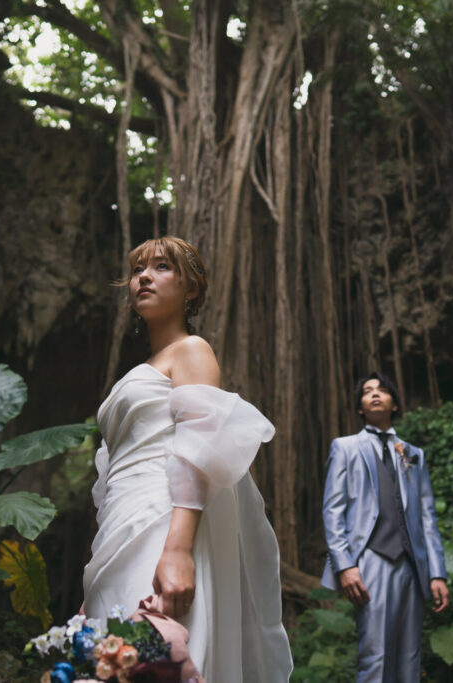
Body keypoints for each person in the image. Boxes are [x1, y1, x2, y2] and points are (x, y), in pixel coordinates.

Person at [82, 236, 293, 682]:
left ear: (191, 288)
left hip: (165, 522)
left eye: (161, 267)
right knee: (114, 657)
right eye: (138, 269)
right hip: (120, 525)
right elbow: (111, 475)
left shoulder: (193, 350)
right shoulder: (142, 367)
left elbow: (199, 449)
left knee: (157, 652)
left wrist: (178, 551)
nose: (144, 277)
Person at [321, 372, 449, 682]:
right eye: (367, 391)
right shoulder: (345, 448)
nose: (375, 394)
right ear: (360, 407)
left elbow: (427, 516)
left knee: (409, 657)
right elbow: (333, 509)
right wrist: (345, 565)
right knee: (375, 654)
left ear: (394, 404)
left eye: (382, 390)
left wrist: (437, 573)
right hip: (370, 559)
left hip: (412, 564)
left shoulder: (414, 454)